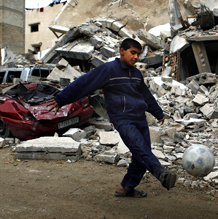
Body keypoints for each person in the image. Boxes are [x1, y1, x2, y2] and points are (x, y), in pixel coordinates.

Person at [47, 38, 177, 198]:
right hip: (122, 119)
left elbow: (145, 95)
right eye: (133, 53)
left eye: (138, 54)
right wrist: (61, 99)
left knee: (141, 155)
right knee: (140, 149)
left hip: (139, 118)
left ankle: (125, 188)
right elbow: (84, 82)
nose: (136, 57)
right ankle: (162, 174)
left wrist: (158, 112)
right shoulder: (109, 70)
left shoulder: (136, 74)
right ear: (122, 51)